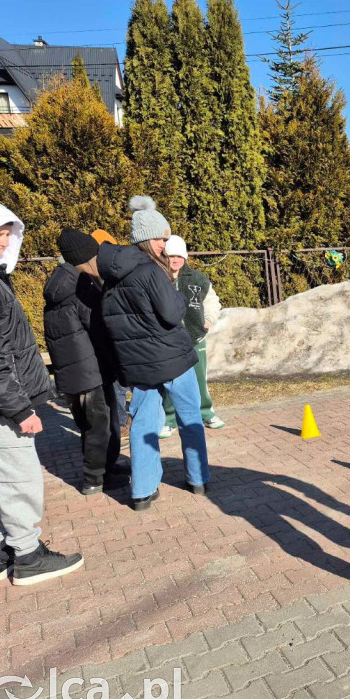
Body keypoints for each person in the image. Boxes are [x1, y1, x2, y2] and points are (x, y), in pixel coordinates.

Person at [0, 198, 84, 585]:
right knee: (16, 477)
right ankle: (28, 554)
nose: (3, 243)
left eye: (7, 235)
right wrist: (19, 408)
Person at [97, 196, 210, 510]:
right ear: (148, 238)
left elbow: (110, 323)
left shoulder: (110, 279)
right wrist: (175, 290)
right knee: (190, 419)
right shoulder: (151, 272)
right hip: (174, 359)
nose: (166, 244)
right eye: (162, 238)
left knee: (144, 424)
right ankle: (198, 479)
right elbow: (173, 313)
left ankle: (143, 492)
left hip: (138, 366)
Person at [43, 228, 125, 495]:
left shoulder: (61, 284)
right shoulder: (79, 287)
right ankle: (94, 479)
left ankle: (107, 467)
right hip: (88, 370)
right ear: (86, 257)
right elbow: (98, 325)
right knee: (98, 425)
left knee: (100, 423)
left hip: (80, 369)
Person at [159, 235, 224, 439]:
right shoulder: (158, 279)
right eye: (171, 255)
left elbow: (212, 301)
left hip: (196, 339)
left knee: (199, 379)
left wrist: (208, 321)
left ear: (185, 257)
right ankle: (168, 419)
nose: (175, 260)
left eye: (179, 255)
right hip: (169, 342)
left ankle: (206, 413)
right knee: (170, 380)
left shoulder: (198, 279)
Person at [91, 229, 130, 446]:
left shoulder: (111, 274)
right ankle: (121, 422)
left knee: (123, 383)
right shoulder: (93, 275)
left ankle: (123, 419)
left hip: (118, 337)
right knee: (116, 384)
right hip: (108, 339)